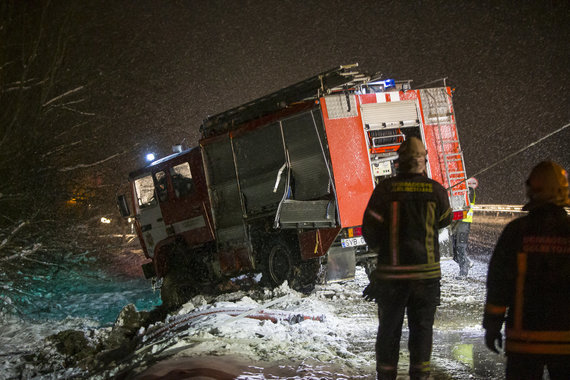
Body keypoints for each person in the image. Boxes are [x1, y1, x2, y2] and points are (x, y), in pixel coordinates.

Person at [362, 137, 452, 380]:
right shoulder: (437, 191)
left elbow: (369, 229)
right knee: (422, 334)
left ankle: (387, 375)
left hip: (392, 279)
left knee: (389, 333)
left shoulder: (384, 191)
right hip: (426, 279)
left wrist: (385, 251)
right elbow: (445, 219)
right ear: (423, 161)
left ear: (399, 162)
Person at [483, 160, 570, 379]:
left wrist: (493, 325)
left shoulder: (517, 231)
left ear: (531, 189)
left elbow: (499, 282)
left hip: (524, 340)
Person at [452, 187, 475, 276]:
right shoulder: (456, 189)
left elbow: (467, 204)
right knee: (453, 251)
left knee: (460, 248)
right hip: (455, 221)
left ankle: (463, 273)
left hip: (464, 222)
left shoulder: (469, 190)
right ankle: (467, 263)